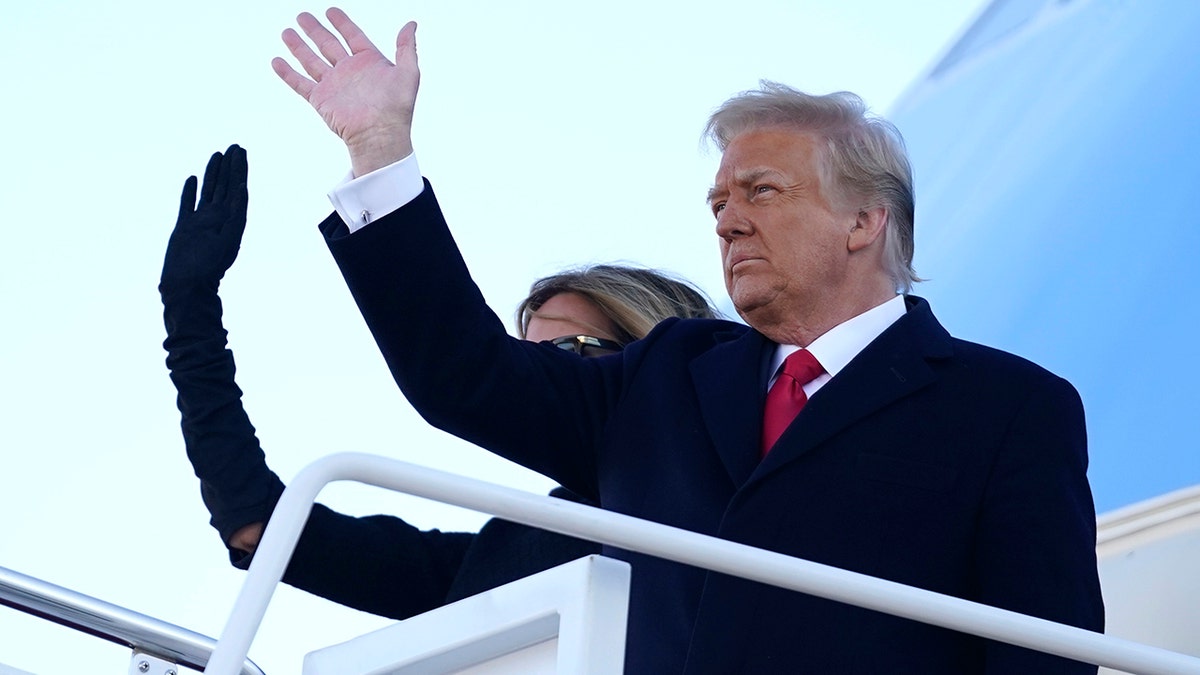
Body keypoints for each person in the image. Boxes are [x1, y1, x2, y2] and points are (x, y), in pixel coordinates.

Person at [271, 8, 1105, 673]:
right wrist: (381, 152)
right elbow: (466, 376)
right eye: (717, 204)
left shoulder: (1008, 409)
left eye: (762, 191)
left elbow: (1046, 654)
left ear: (865, 219)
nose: (730, 219)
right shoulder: (665, 373)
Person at [159, 144, 719, 619]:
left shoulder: (744, 491)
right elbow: (258, 523)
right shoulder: (502, 553)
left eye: (571, 351)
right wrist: (191, 313)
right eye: (525, 356)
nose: (538, 374)